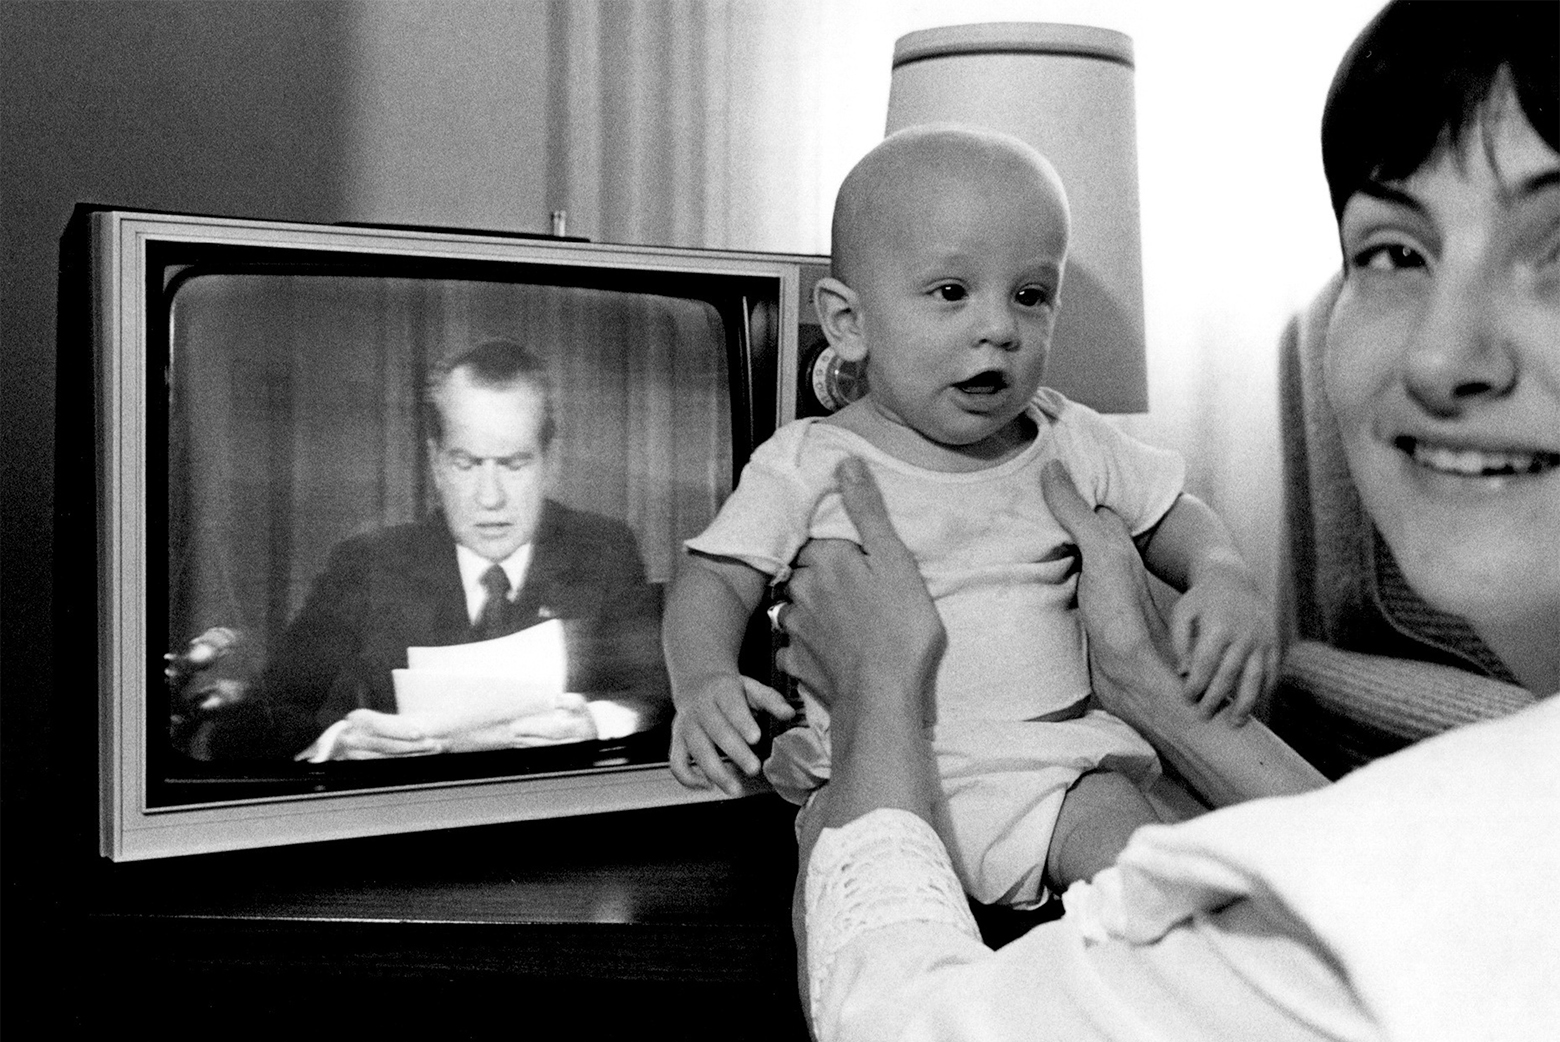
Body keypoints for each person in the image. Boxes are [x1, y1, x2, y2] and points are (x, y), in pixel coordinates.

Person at [787, 3, 1559, 1039]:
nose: (1439, 356)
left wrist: (879, 697)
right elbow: (1378, 883)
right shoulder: (1484, 814)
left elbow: (899, 1022)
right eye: (1392, 252)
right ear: (851, 318)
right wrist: (1153, 686)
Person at [664, 124, 1276, 908]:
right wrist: (703, 677)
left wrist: (1221, 571)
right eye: (952, 292)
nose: (999, 327)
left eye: (1029, 295)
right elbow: (715, 577)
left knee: (1160, 885)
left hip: (1056, 767)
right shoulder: (808, 460)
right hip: (876, 767)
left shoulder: (1068, 437)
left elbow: (1171, 517)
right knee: (852, 910)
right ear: (849, 323)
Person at [204, 337, 670, 760]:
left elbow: (658, 702)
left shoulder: (604, 551)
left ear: (548, 464)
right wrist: (336, 745)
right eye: (466, 463)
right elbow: (253, 725)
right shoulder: (367, 565)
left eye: (513, 464)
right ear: (436, 463)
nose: (490, 498)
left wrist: (600, 725)